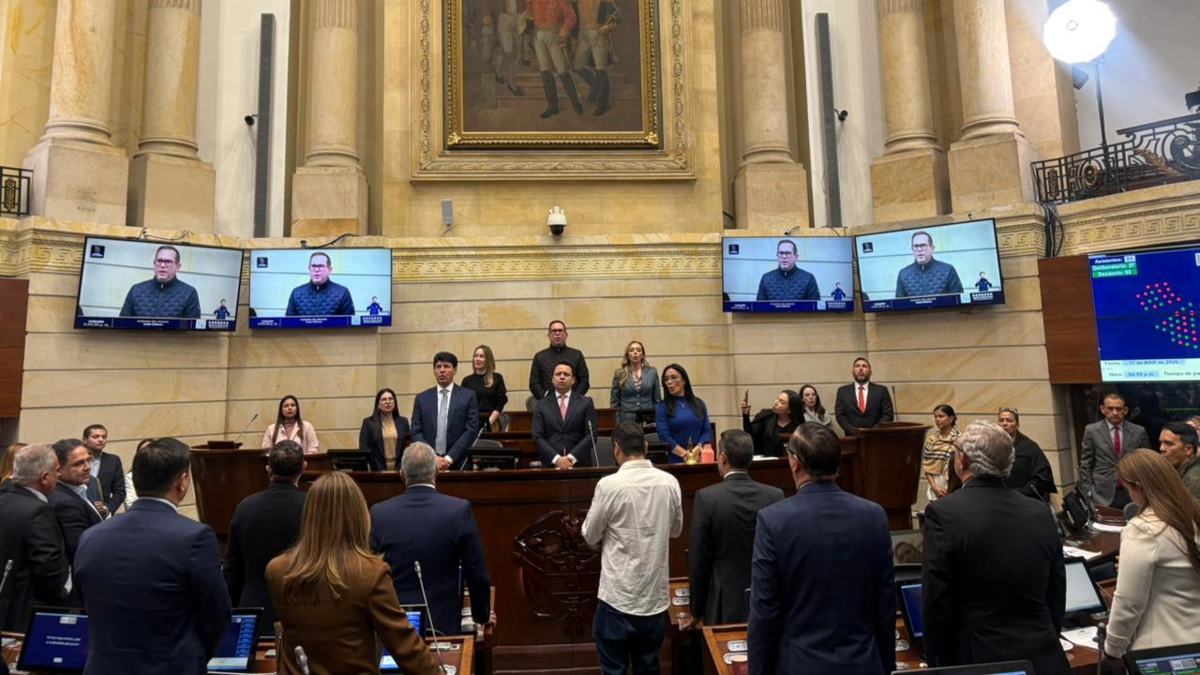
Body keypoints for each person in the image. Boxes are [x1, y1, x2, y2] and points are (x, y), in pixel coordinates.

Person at [922, 421, 1069, 675]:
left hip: (979, 659)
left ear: (963, 461)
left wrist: (939, 664)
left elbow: (937, 600)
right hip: (1043, 656)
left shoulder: (943, 513)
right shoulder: (1039, 511)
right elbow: (1056, 591)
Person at [75, 438, 232, 674]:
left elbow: (87, 604)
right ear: (182, 482)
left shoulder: (91, 536)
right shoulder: (194, 536)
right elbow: (217, 616)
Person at [748, 424, 895, 675]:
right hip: (863, 663)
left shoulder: (774, 520)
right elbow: (885, 606)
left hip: (801, 665)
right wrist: (886, 667)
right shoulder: (873, 516)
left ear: (794, 462)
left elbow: (765, 612)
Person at [268, 471, 440, 675]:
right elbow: (405, 647)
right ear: (358, 515)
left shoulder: (277, 571)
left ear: (309, 514)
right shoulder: (369, 574)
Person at [582, 422, 683, 675]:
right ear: (646, 447)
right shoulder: (669, 482)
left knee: (613, 669)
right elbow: (676, 530)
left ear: (616, 449)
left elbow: (590, 535)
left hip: (618, 597)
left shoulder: (609, 485)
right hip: (654, 599)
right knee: (648, 666)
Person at [370, 443, 493, 641]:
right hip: (443, 626)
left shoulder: (379, 513)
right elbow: (476, 571)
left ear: (402, 474)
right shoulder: (458, 510)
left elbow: (369, 575)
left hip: (394, 629)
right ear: (437, 471)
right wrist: (482, 615)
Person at [1102, 449, 1200, 658]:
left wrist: (1112, 648)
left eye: (1128, 488)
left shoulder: (1143, 529)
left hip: (1164, 650)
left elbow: (1129, 602)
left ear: (1139, 488)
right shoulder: (1193, 515)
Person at [684, 430, 783, 629]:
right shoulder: (775, 495)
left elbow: (699, 558)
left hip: (723, 602)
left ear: (722, 458)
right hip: (767, 599)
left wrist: (696, 610)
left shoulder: (707, 498)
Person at [223, 440, 307, 628]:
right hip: (301, 611)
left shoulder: (245, 507)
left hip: (252, 612)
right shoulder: (312, 507)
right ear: (304, 467)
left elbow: (232, 570)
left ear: (268, 469)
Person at [0, 444, 69, 631]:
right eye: (56, 471)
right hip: (25, 614)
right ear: (44, 477)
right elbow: (48, 568)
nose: (60, 475)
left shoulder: (4, 500)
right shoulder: (38, 511)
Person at [47, 439, 103, 599]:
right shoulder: (64, 502)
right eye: (78, 463)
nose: (87, 467)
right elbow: (80, 551)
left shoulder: (81, 489)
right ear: (58, 469)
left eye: (88, 460)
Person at [412, 352, 480, 471]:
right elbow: (416, 432)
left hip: (459, 463)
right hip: (427, 465)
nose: (442, 370)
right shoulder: (422, 398)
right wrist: (433, 458)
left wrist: (448, 459)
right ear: (434, 371)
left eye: (446, 366)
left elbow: (471, 430)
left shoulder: (468, 396)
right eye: (438, 367)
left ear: (455, 370)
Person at [1080, 392, 1151, 508]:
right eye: (1110, 408)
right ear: (1102, 409)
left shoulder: (1139, 431)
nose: (1114, 413)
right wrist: (1088, 491)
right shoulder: (1092, 431)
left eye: (1118, 409)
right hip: (1102, 493)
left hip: (1133, 489)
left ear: (1125, 410)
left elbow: (1147, 461)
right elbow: (1086, 463)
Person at [532, 361, 599, 468]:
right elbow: (537, 436)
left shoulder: (586, 403)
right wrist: (556, 459)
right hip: (550, 465)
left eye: (566, 374)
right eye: (558, 374)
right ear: (552, 379)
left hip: (579, 464)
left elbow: (591, 435)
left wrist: (571, 458)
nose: (562, 377)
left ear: (573, 380)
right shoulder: (542, 404)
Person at [530, 0, 584, 119]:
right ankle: (552, 106)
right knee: (545, 71)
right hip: (539, 37)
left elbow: (571, 17)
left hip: (554, 37)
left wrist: (563, 32)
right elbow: (530, 13)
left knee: (562, 71)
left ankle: (575, 102)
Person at [119, 244, 202, 319]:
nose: (162, 265)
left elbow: (193, 331)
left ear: (178, 266)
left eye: (168, 262)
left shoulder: (189, 293)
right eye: (159, 261)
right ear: (154, 264)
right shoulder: (136, 290)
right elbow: (121, 325)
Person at [655, 363, 713, 463]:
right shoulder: (662, 407)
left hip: (699, 458)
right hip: (676, 460)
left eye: (674, 378)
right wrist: (686, 455)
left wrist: (696, 451)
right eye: (666, 379)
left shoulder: (699, 404)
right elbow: (664, 436)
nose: (669, 382)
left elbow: (707, 432)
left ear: (684, 380)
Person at [998, 407, 1057, 501]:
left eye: (1009, 421)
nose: (1004, 424)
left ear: (1017, 425)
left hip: (1024, 499)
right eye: (1001, 420)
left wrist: (1021, 493)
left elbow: (1042, 477)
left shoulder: (1030, 448)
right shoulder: (993, 447)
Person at [572, 0, 619, 115]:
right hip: (582, 34)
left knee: (600, 69)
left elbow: (616, 17)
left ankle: (602, 103)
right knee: (577, 66)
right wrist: (573, 38)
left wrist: (608, 26)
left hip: (598, 33)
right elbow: (573, 18)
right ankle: (595, 86)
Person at [529, 320, 590, 399]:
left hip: (573, 404)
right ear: (549, 336)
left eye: (560, 331)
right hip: (547, 405)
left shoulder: (577, 355)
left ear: (566, 335)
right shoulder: (539, 357)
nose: (557, 334)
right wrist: (545, 400)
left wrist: (574, 399)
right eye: (554, 331)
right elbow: (534, 383)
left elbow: (584, 381)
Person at [834, 357, 895, 435]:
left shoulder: (881, 390)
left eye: (864, 366)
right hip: (852, 438)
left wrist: (872, 432)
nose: (860, 369)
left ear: (870, 372)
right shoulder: (842, 391)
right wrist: (853, 431)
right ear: (852, 372)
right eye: (857, 366)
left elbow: (888, 415)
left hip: (876, 437)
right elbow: (840, 415)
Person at [894, 231, 964, 298]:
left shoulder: (948, 270)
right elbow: (898, 307)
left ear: (932, 248)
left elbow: (959, 301)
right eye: (916, 246)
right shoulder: (903, 274)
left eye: (923, 245)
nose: (919, 249)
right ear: (912, 249)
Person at [285, 251, 355, 316]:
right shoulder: (297, 293)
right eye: (313, 266)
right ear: (309, 269)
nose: (316, 270)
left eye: (320, 266)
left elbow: (350, 324)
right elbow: (287, 324)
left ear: (330, 270)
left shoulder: (342, 293)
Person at [609, 340, 660, 425]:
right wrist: (617, 422)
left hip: (647, 418)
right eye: (631, 350)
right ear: (628, 355)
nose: (635, 352)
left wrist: (658, 419)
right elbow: (615, 402)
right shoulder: (619, 373)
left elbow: (657, 400)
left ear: (642, 355)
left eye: (638, 350)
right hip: (626, 418)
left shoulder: (652, 372)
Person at [740, 389, 803, 457]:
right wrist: (745, 415)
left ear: (789, 410)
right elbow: (750, 434)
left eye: (781, 402)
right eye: (777, 399)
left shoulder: (798, 427)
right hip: (766, 461)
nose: (776, 402)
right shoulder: (766, 416)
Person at [360, 388, 410, 472]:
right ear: (378, 404)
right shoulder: (368, 423)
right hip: (376, 470)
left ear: (395, 403)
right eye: (384, 399)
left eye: (390, 399)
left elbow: (408, 447)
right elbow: (364, 449)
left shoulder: (403, 422)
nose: (388, 402)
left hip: (399, 470)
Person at [462, 345, 509, 432]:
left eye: (481, 356)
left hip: (492, 422)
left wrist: (488, 422)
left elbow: (500, 403)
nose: (477, 359)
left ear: (488, 360)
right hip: (471, 423)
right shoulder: (467, 380)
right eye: (475, 356)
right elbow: (463, 405)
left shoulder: (497, 378)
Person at [756, 240, 820, 302]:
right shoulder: (766, 279)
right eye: (781, 253)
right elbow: (758, 308)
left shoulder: (808, 279)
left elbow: (816, 308)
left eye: (788, 253)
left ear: (796, 257)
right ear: (777, 256)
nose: (784, 257)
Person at [82, 424, 124, 517]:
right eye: (95, 437)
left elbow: (120, 492)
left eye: (104, 437)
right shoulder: (76, 460)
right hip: (79, 511)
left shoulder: (113, 460)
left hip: (102, 515)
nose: (101, 439)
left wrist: (107, 509)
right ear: (85, 440)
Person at [921, 405, 959, 501]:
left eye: (941, 416)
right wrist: (934, 487)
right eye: (936, 417)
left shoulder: (960, 439)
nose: (937, 419)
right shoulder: (931, 440)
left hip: (954, 487)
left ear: (951, 418)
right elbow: (927, 467)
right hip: (936, 487)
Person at [1159, 421, 1200, 503]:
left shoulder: (1194, 480)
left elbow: (1190, 514)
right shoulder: (1174, 471)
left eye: (1169, 444)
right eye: (1161, 443)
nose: (1162, 448)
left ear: (1188, 450)